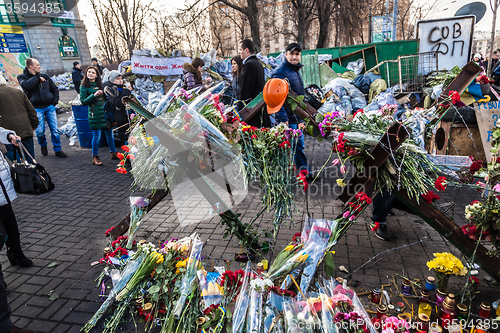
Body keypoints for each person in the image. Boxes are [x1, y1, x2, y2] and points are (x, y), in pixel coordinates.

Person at [0, 126, 38, 333]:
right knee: (3, 232)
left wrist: (8, 135)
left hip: (2, 190)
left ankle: (15, 253)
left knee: (10, 227)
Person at [271, 42, 310, 174]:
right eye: (292, 54)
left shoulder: (294, 70)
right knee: (296, 146)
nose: (294, 57)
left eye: (297, 54)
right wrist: (283, 119)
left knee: (297, 146)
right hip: (288, 118)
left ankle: (298, 172)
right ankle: (304, 173)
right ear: (286, 54)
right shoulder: (280, 72)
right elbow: (275, 98)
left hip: (296, 117)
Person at [17, 58, 67, 158]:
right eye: (37, 65)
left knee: (55, 130)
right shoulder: (22, 77)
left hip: (49, 107)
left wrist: (54, 102)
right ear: (31, 67)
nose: (40, 67)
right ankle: (43, 145)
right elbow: (26, 86)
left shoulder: (45, 76)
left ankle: (58, 149)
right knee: (40, 132)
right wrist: (37, 78)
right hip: (36, 109)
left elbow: (54, 89)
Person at [80, 66, 117, 166]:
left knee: (110, 135)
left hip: (105, 113)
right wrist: (94, 95)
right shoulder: (84, 86)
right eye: (88, 72)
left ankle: (113, 153)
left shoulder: (101, 84)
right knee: (97, 137)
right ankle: (95, 157)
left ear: (97, 75)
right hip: (95, 114)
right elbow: (83, 101)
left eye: (92, 72)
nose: (90, 74)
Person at [0, 75, 38, 163]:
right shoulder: (17, 91)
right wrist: (34, 124)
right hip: (25, 129)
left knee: (15, 159)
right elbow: (31, 110)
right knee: (30, 158)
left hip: (8, 133)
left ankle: (24, 173)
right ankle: (34, 174)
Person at [238, 39, 269, 128]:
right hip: (259, 109)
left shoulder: (249, 65)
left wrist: (240, 113)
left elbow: (245, 92)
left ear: (246, 50)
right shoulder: (258, 63)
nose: (239, 52)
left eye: (240, 49)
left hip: (252, 112)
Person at [103, 70, 132, 143]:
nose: (120, 80)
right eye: (117, 79)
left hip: (127, 116)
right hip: (120, 118)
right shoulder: (111, 90)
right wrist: (127, 91)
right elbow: (118, 102)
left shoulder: (123, 88)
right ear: (112, 80)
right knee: (127, 139)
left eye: (121, 78)